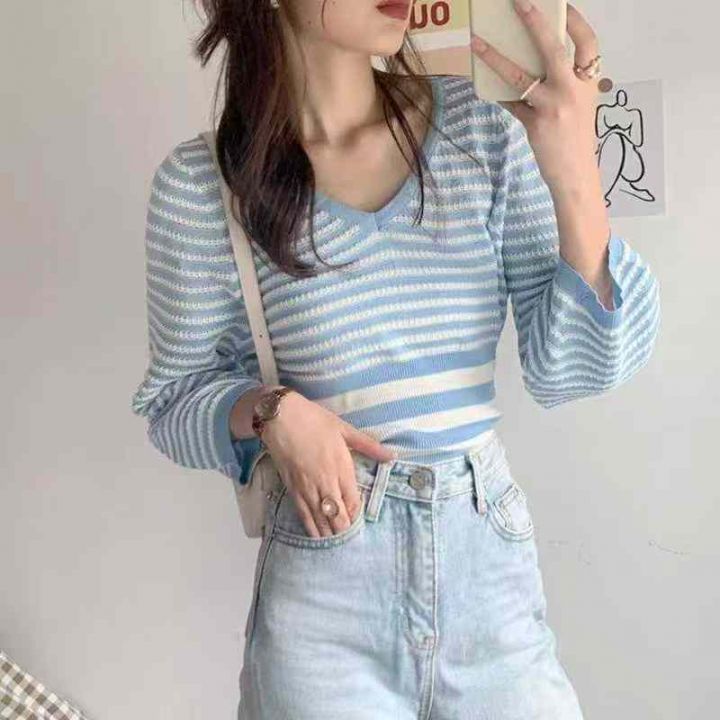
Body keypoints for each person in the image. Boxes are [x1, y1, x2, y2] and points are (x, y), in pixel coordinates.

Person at [130, 1, 660, 718]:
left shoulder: (479, 129)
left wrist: (572, 163)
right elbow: (173, 403)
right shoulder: (201, 185)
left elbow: (575, 369)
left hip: (488, 572)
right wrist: (272, 413)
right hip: (326, 598)